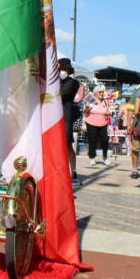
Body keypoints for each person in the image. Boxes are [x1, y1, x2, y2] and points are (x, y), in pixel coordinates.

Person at [59, 58, 81, 187]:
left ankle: (73, 172)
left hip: (65, 117)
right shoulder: (52, 81)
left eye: (63, 69)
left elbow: (62, 94)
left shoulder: (73, 83)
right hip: (51, 118)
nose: (61, 71)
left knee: (67, 146)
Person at [82, 84, 112, 166]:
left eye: (103, 92)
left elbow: (107, 112)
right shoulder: (91, 100)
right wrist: (87, 107)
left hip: (103, 123)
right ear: (95, 93)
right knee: (92, 141)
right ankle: (92, 158)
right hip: (91, 123)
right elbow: (85, 112)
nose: (102, 94)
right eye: (100, 92)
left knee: (105, 140)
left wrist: (109, 113)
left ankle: (104, 158)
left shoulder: (105, 101)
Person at [125, 79, 140, 178]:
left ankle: (135, 169)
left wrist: (128, 124)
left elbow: (131, 108)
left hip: (138, 124)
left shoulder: (137, 90)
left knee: (135, 148)